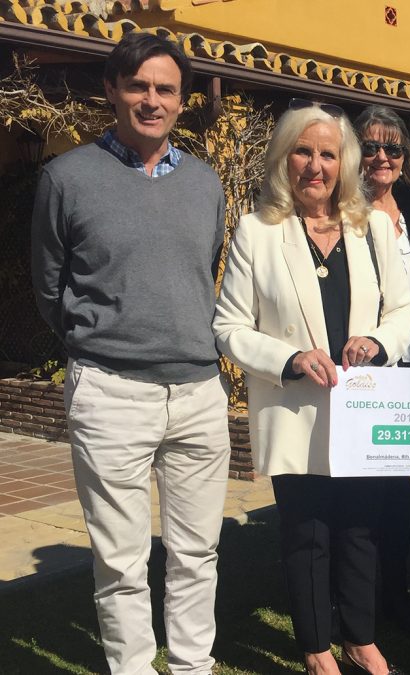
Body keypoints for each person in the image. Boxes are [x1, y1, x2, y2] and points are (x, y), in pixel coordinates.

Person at [30, 33, 231, 675]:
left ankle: (193, 667)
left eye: (165, 89)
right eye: (138, 86)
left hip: (198, 392)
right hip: (110, 391)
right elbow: (48, 284)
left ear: (182, 100)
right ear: (112, 90)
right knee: (120, 562)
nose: (152, 100)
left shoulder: (205, 183)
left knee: (197, 554)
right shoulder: (66, 177)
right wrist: (99, 339)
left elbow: (200, 272)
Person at [214, 100, 410, 675]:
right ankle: (315, 647)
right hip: (294, 408)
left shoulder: (372, 226)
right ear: (284, 158)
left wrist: (378, 342)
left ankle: (360, 637)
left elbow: (404, 310)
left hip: (361, 410)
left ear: (344, 163)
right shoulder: (257, 233)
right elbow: (228, 327)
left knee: (360, 527)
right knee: (307, 533)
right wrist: (290, 357)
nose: (315, 165)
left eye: (328, 153)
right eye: (303, 151)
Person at [355, 104, 410, 630]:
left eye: (393, 148)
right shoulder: (342, 212)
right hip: (367, 366)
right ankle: (361, 598)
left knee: (398, 490)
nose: (382, 157)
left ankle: (396, 593)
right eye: (370, 146)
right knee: (361, 490)